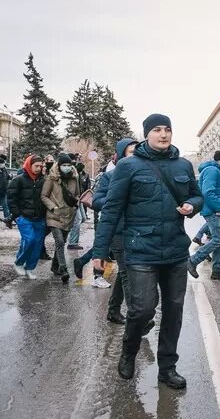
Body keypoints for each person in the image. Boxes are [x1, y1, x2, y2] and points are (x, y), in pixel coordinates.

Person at [92, 114, 203, 389]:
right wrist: (100, 251)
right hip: (141, 250)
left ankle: (167, 368)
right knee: (142, 310)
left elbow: (197, 195)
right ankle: (129, 351)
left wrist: (192, 205)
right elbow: (111, 210)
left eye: (168, 129)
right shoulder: (129, 166)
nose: (163, 134)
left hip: (176, 251)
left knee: (174, 312)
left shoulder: (184, 165)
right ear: (146, 134)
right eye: (157, 130)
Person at [91, 138, 149, 324]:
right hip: (119, 231)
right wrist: (115, 200)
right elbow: (97, 201)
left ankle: (113, 310)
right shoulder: (110, 176)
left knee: (125, 272)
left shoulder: (143, 175)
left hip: (138, 232)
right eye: (131, 152)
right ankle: (138, 318)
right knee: (128, 274)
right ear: (122, 154)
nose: (136, 155)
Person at [187, 151, 220, 280]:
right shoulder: (212, 170)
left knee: (218, 240)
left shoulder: (215, 170)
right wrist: (219, 207)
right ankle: (193, 260)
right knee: (218, 239)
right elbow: (207, 192)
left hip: (215, 210)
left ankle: (217, 270)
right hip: (213, 211)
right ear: (219, 160)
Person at [40, 154, 81, 284]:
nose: (67, 167)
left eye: (69, 165)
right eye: (64, 165)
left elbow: (77, 194)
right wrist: (53, 207)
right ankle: (63, 269)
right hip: (54, 216)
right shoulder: (51, 179)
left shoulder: (74, 179)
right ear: (58, 166)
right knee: (60, 242)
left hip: (68, 215)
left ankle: (54, 266)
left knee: (63, 240)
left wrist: (77, 204)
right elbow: (44, 196)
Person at [8, 155, 46, 279]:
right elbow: (11, 199)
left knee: (37, 244)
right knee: (30, 240)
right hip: (24, 217)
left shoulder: (43, 180)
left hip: (40, 218)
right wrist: (17, 215)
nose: (39, 169)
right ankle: (18, 263)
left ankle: (30, 268)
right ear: (29, 165)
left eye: (41, 166)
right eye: (36, 166)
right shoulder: (18, 180)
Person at [67, 162, 91, 250]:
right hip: (74, 201)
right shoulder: (70, 176)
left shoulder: (78, 176)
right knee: (77, 220)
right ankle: (72, 242)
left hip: (79, 199)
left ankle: (70, 232)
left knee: (83, 218)